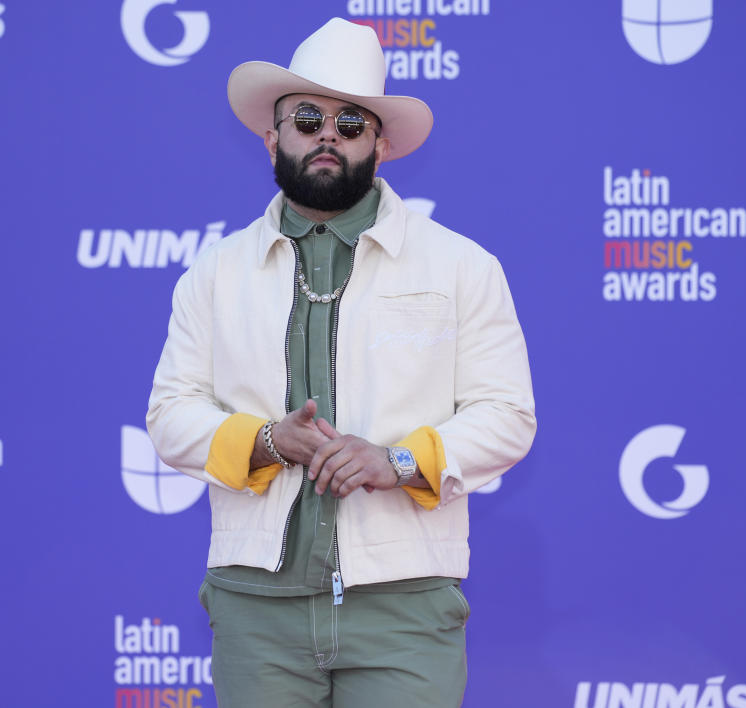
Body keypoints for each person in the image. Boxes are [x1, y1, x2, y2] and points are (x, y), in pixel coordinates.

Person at [147, 17, 536, 708]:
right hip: (256, 608)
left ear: (381, 143)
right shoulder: (215, 273)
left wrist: (400, 462)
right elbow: (171, 417)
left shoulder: (462, 266)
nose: (327, 135)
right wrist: (266, 441)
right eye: (307, 117)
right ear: (272, 134)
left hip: (405, 606)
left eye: (350, 122)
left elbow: (507, 417)